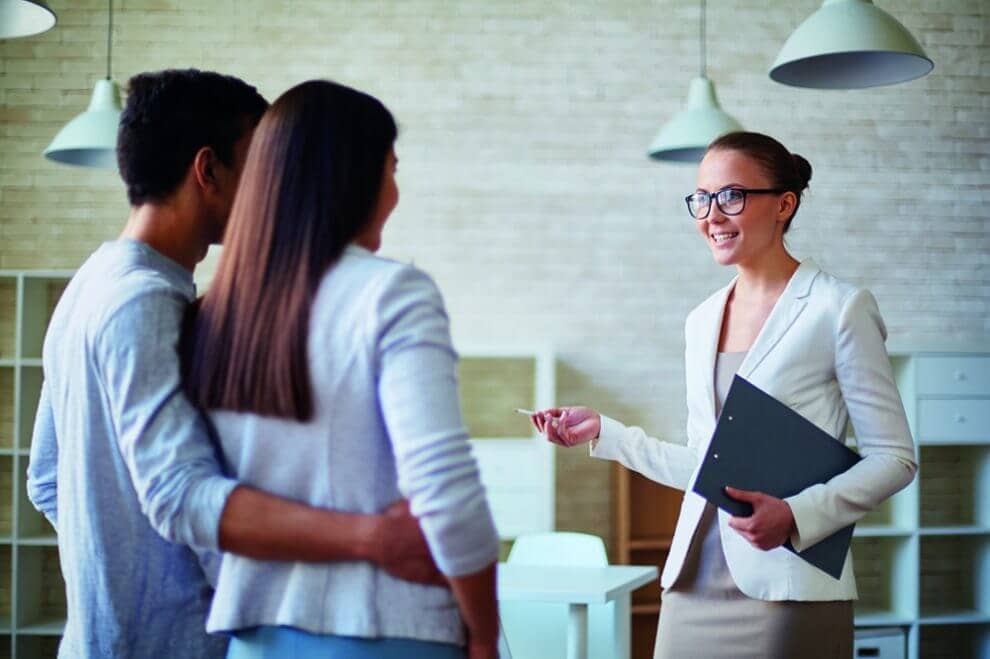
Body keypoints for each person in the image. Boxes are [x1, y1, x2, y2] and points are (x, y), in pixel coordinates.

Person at [27, 69, 445, 659]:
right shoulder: (145, 303)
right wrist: (372, 540)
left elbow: (46, 480)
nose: (274, 190)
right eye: (260, 167)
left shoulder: (91, 283)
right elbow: (180, 493)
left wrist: (116, 574)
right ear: (208, 171)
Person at [530, 132, 917, 658]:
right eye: (702, 199)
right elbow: (703, 464)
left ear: (784, 203)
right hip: (693, 580)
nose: (711, 215)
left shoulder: (838, 309)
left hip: (787, 586)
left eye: (731, 196)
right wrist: (606, 432)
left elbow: (894, 458)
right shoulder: (701, 319)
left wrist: (798, 515)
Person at [181, 79, 500, 659]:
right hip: (388, 629)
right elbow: (445, 491)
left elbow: (195, 497)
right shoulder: (392, 293)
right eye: (392, 168)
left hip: (253, 637)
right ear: (355, 176)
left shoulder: (213, 310)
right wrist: (482, 631)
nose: (395, 191)